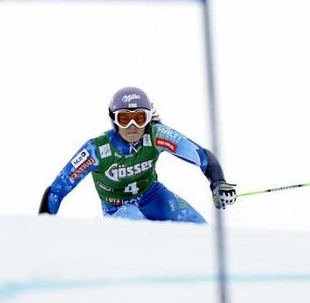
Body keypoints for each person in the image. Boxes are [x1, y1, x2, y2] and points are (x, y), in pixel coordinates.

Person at [38, 86, 236, 223]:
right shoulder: (96, 149)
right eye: (124, 119)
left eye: (139, 118)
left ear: (149, 118)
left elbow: (200, 155)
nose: (132, 127)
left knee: (199, 229)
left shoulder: (156, 134)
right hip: (117, 208)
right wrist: (44, 228)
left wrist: (218, 183)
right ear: (113, 120)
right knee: (137, 229)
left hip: (154, 196)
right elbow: (57, 190)